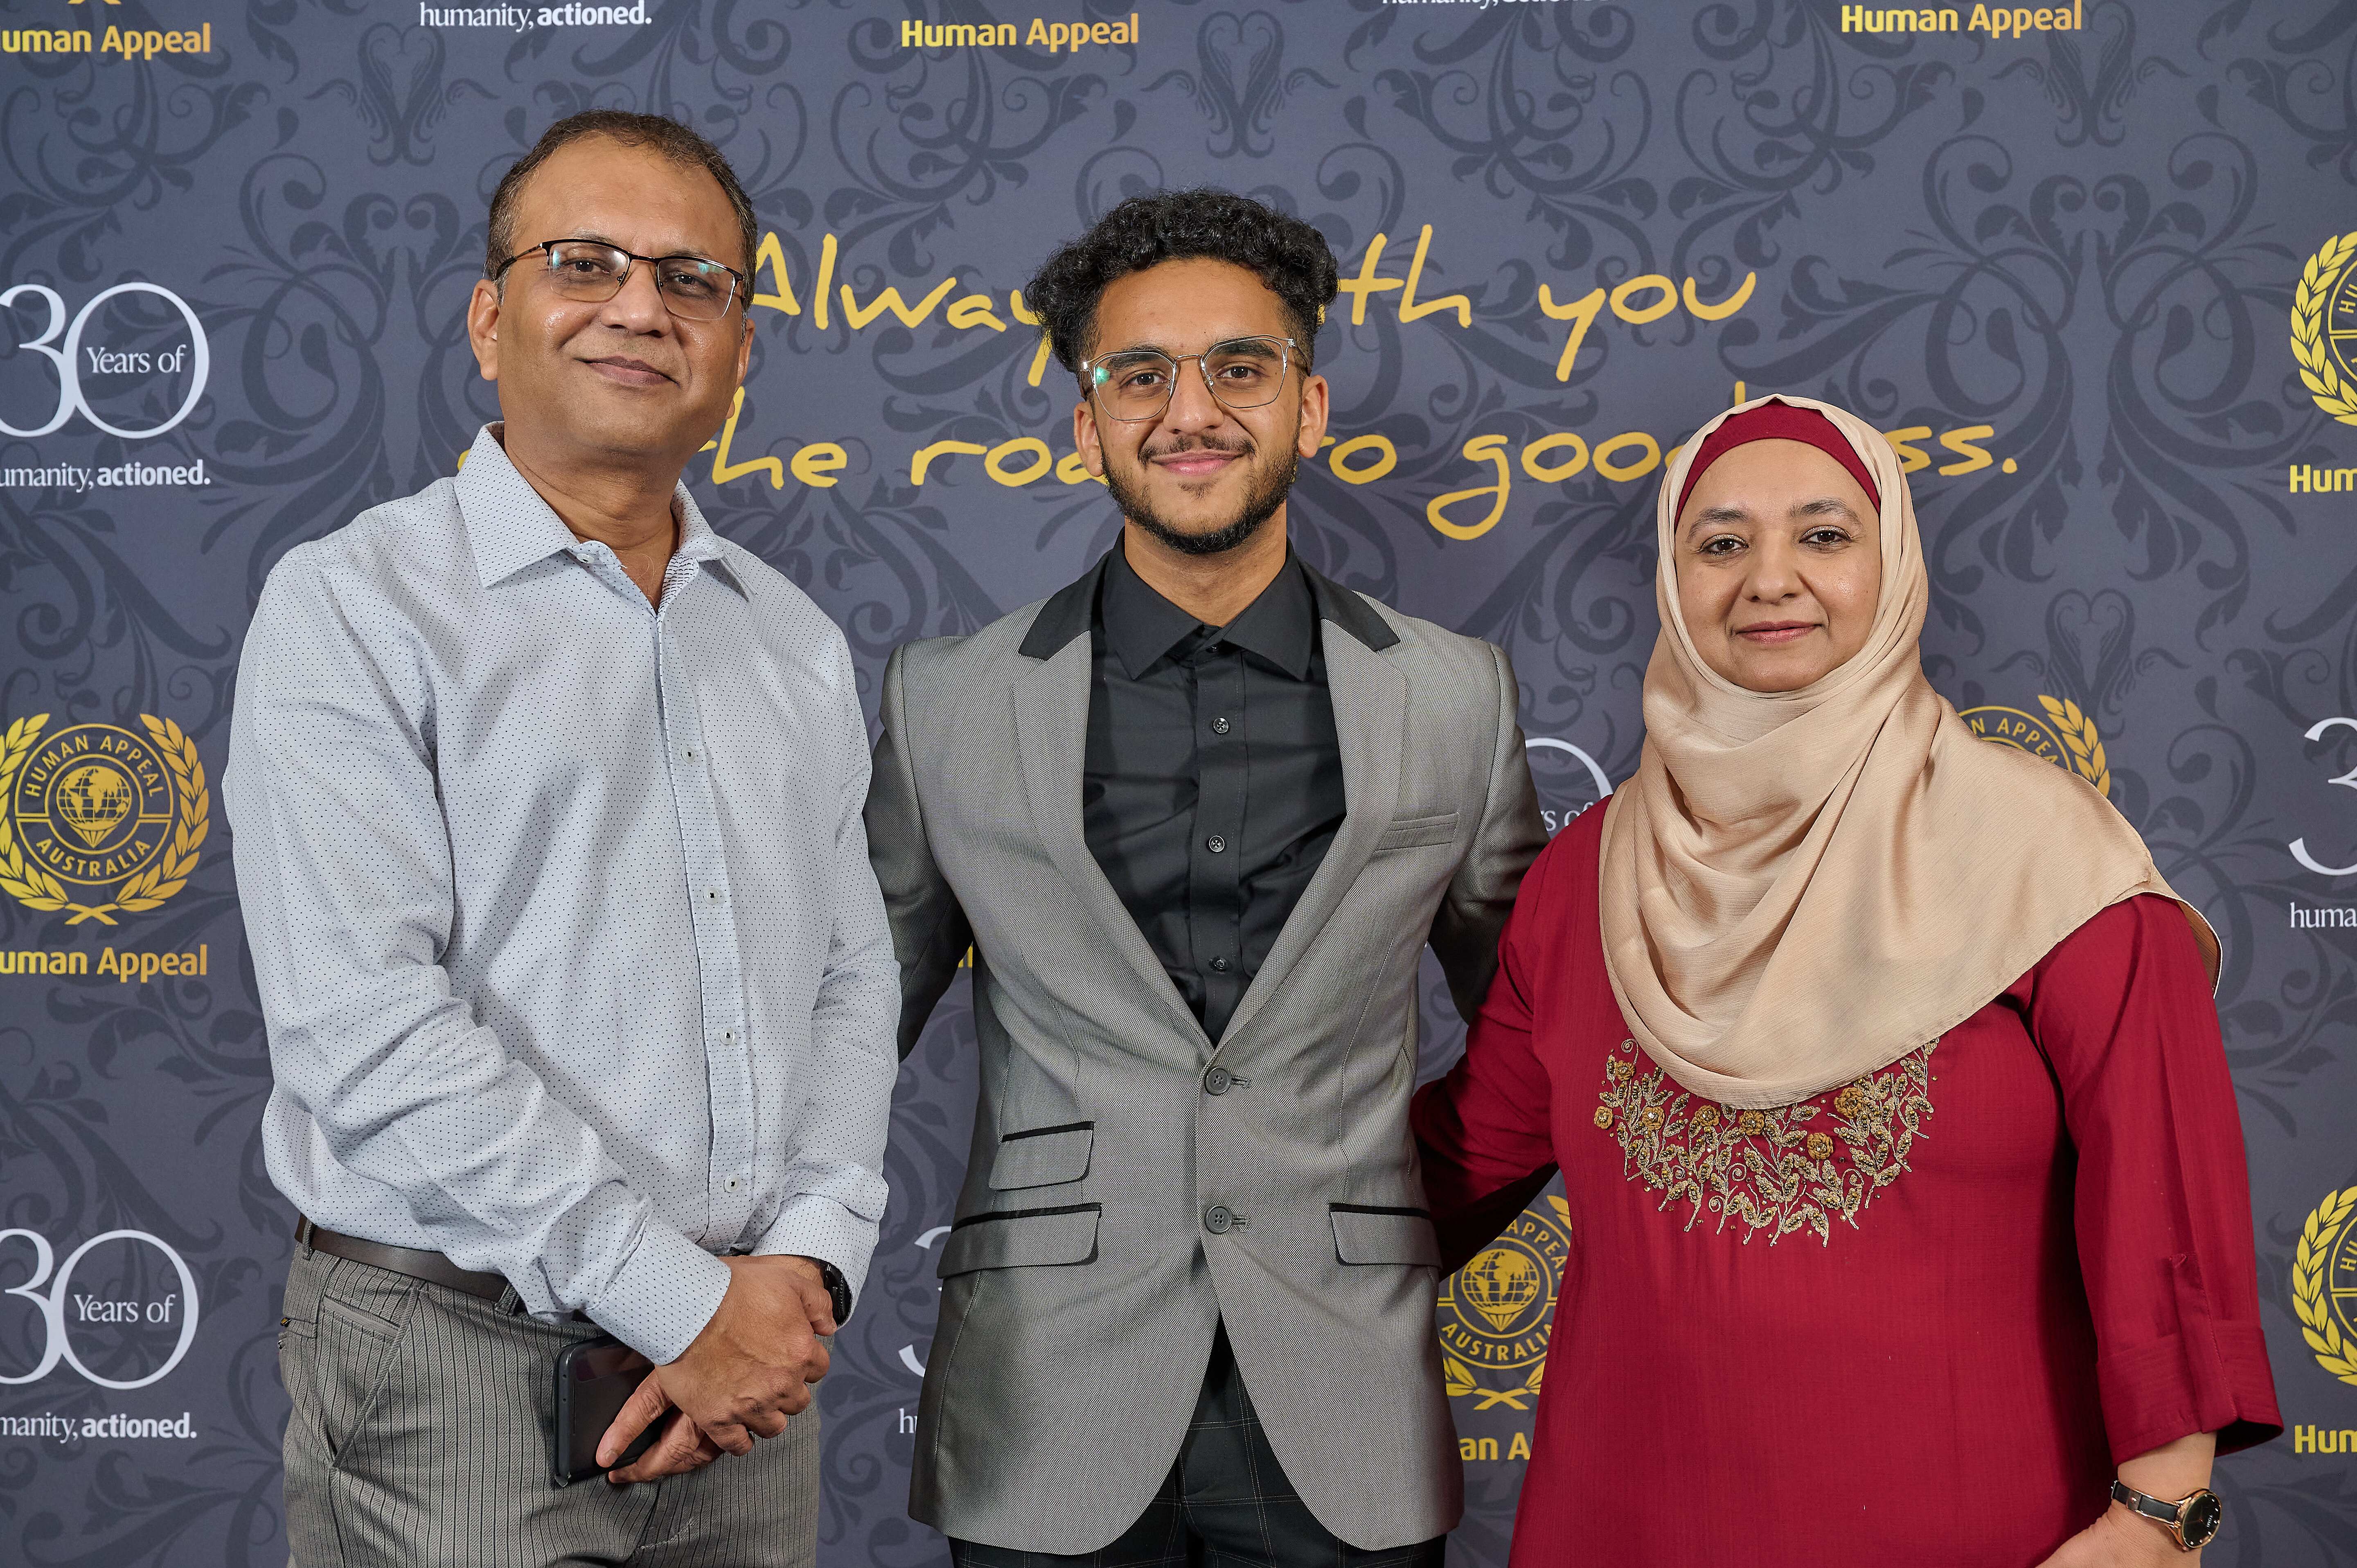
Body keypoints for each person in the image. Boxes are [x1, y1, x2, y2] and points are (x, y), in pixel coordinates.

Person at [1411, 394, 2282, 1566]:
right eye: (1721, 544)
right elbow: (1468, 1156)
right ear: (1674, 584)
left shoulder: (2051, 858)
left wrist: (2161, 1518)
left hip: (1977, 1528)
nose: (1770, 579)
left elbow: (2164, 1196)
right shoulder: (1591, 876)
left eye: (1824, 536)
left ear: (1896, 567)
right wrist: (1222, 1222)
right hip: (1625, 1522)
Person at [223, 110, 898, 1568]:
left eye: (693, 279)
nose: (641, 306)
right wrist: (679, 1304)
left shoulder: (795, 645)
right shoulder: (353, 607)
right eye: (582, 263)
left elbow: (853, 980)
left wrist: (808, 1268)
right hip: (451, 1367)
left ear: (740, 343)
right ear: (489, 317)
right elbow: (363, 1027)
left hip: (752, 1376)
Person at [863, 188, 1547, 1566]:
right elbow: (845, 1025)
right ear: (1086, 421)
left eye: (1241, 368)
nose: (1194, 411)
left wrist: (1396, 1212)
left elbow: (1539, 1031)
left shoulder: (1455, 699)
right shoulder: (948, 702)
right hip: (1047, 1397)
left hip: (1348, 1386)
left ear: (1311, 404)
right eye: (1142, 374)